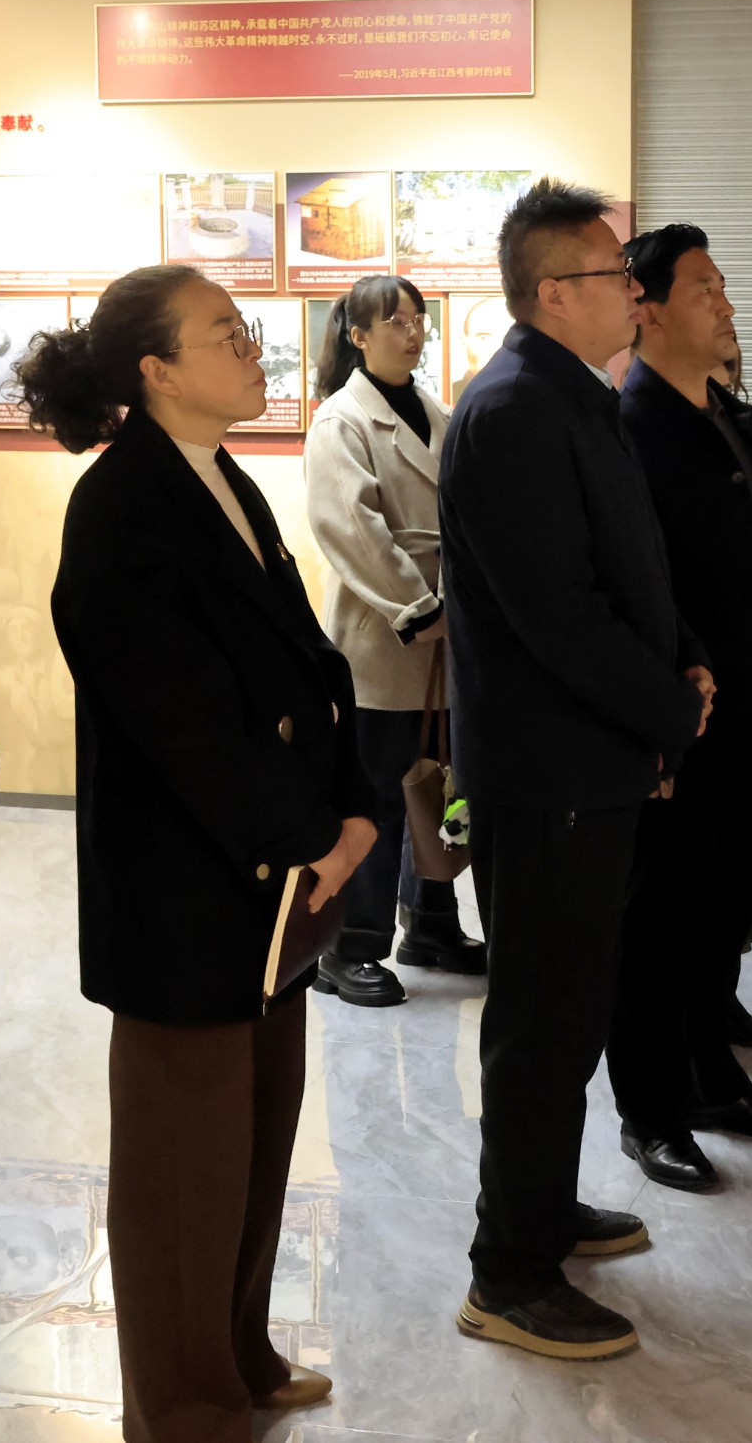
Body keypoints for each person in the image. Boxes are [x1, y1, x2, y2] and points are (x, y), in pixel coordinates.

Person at [30, 264, 368, 1432]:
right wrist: (308, 831)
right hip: (187, 890)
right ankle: (182, 1409)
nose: (251, 348)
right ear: (157, 371)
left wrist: (350, 806)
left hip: (266, 884)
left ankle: (238, 1355)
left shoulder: (220, 475)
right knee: (183, 1173)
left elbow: (307, 664)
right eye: (225, 334)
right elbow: (183, 719)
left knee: (254, 1143)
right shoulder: (120, 504)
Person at [440, 178, 713, 1360]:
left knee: (570, 1008)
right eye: (615, 275)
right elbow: (555, 612)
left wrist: (682, 660)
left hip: (592, 757)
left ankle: (541, 1208)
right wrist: (670, 707)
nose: (634, 292)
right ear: (555, 292)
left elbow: (630, 568)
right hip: (545, 769)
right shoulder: (511, 410)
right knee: (541, 1020)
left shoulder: (574, 395)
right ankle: (507, 1272)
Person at [608, 223, 752, 1192]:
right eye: (704, 289)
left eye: (724, 287)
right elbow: (634, 590)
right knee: (661, 918)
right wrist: (658, 718)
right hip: (679, 721)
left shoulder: (722, 413)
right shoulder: (631, 425)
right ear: (645, 308)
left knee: (723, 908)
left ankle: (712, 1078)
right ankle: (650, 1108)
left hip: (749, 712)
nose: (725, 305)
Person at [302, 275, 486, 1006]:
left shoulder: (436, 409)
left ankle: (431, 923)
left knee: (436, 784)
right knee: (376, 794)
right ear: (358, 335)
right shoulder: (340, 421)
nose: (412, 334)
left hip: (447, 632)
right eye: (395, 322)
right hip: (384, 637)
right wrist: (417, 607)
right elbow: (351, 528)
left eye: (417, 320)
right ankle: (349, 946)